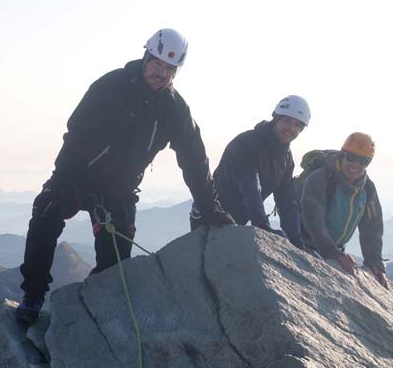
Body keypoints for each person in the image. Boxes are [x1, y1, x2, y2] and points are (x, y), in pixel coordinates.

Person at [15, 28, 234, 326]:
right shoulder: (110, 86)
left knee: (115, 262)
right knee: (46, 213)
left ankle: (87, 308)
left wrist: (209, 207)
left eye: (170, 69)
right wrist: (62, 180)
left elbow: (195, 160)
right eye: (157, 64)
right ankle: (33, 295)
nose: (162, 73)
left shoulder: (174, 109)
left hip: (119, 189)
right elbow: (76, 134)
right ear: (146, 57)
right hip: (78, 175)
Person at [190, 95, 310, 248]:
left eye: (298, 125)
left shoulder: (286, 159)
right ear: (276, 118)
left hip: (234, 221)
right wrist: (262, 226)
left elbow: (287, 201)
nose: (291, 129)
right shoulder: (247, 143)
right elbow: (250, 186)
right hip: (209, 214)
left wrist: (296, 241)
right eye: (287, 121)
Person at [298, 132, 388, 287]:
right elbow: (313, 218)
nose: (356, 165)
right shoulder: (321, 178)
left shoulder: (367, 188)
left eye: (364, 161)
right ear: (342, 154)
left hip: (334, 250)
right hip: (303, 245)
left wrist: (375, 264)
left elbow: (372, 228)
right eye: (351, 157)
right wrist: (331, 252)